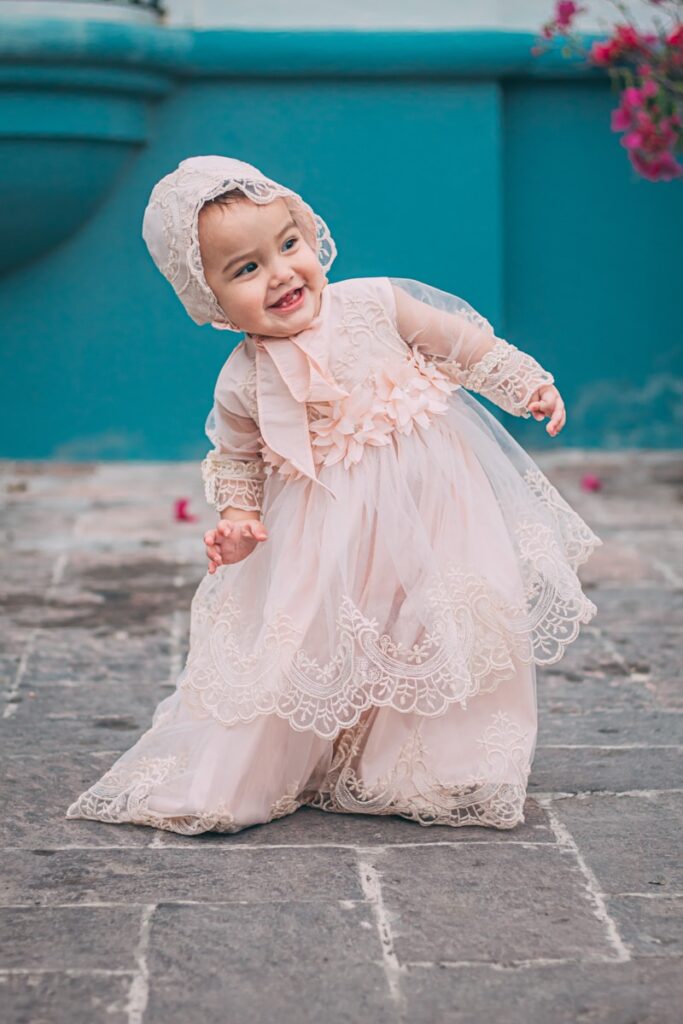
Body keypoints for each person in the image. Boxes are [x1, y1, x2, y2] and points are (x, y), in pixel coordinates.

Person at [65, 155, 602, 836]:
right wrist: (237, 519)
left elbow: (460, 343)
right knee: (320, 635)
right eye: (245, 269)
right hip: (331, 526)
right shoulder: (241, 380)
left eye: (287, 245)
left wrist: (522, 383)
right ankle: (281, 761)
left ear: (309, 235)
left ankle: (438, 764)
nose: (281, 274)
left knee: (442, 620)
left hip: (438, 503)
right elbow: (237, 461)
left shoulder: (373, 303)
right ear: (208, 299)